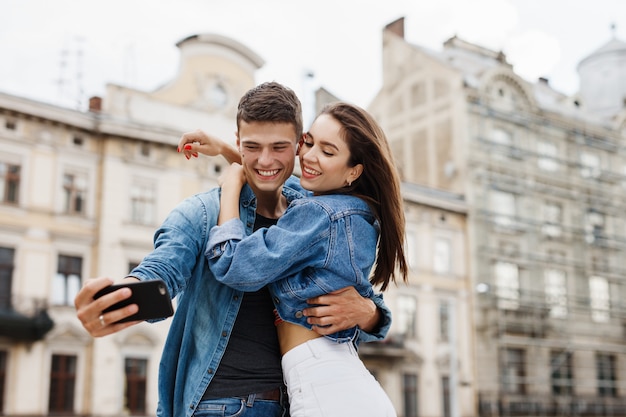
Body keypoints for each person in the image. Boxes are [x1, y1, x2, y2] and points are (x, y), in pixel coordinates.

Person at [74, 82, 392, 417]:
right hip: (224, 405)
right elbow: (162, 269)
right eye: (252, 146)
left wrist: (367, 313)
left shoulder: (312, 211)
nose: (266, 160)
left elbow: (365, 300)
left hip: (301, 402)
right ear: (240, 143)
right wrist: (118, 300)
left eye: (278, 147)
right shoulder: (202, 213)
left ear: (298, 147)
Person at [196, 102, 408, 417]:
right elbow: (279, 188)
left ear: (354, 171)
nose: (308, 156)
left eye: (328, 151)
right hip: (338, 382)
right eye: (308, 142)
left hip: (326, 389)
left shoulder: (319, 214)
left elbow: (234, 265)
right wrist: (230, 151)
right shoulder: (353, 214)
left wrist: (230, 187)